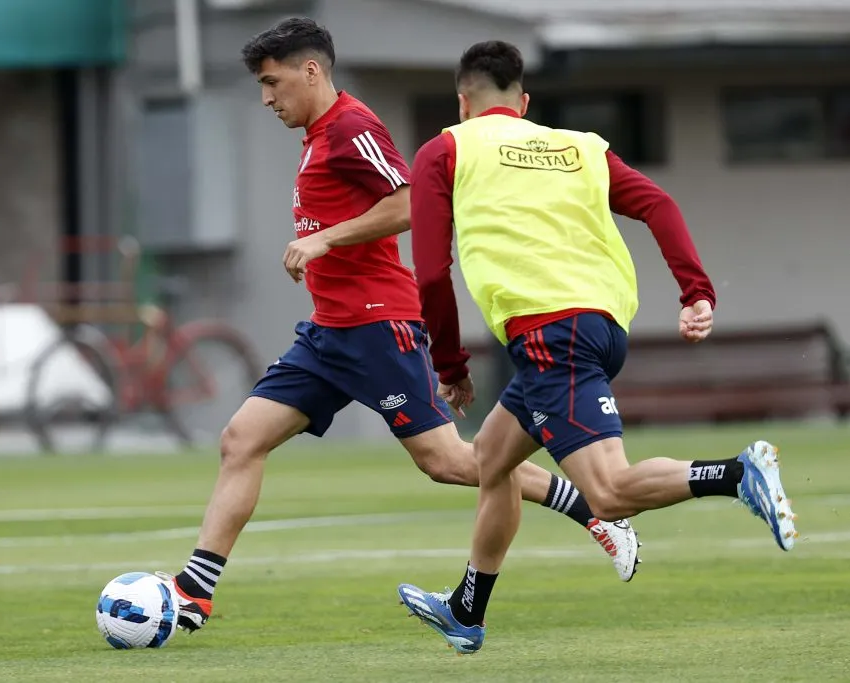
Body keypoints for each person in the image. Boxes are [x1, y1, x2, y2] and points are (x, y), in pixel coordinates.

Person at [155, 20, 641, 635]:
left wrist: (325, 239)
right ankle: (195, 592)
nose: (266, 98)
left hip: (379, 327)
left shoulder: (352, 128)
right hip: (328, 334)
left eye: (272, 82)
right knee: (240, 439)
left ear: (312, 71)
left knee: (452, 462)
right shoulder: (315, 136)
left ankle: (596, 510)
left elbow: (409, 203)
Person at [397, 40, 798, 655]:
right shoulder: (579, 146)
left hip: (550, 335)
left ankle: (740, 473)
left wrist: (450, 366)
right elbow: (657, 205)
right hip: (600, 327)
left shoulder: (446, 149)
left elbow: (429, 274)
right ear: (525, 104)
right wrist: (696, 291)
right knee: (492, 461)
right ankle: (466, 609)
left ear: (462, 102)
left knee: (608, 493)